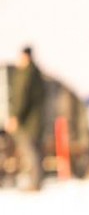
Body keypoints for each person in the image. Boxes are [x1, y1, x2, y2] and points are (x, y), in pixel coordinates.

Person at [6, 46, 46, 191]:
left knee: (30, 152)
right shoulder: (36, 72)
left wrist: (15, 116)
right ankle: (36, 181)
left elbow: (21, 97)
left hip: (26, 122)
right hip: (34, 120)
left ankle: (35, 183)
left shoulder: (26, 74)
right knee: (35, 151)